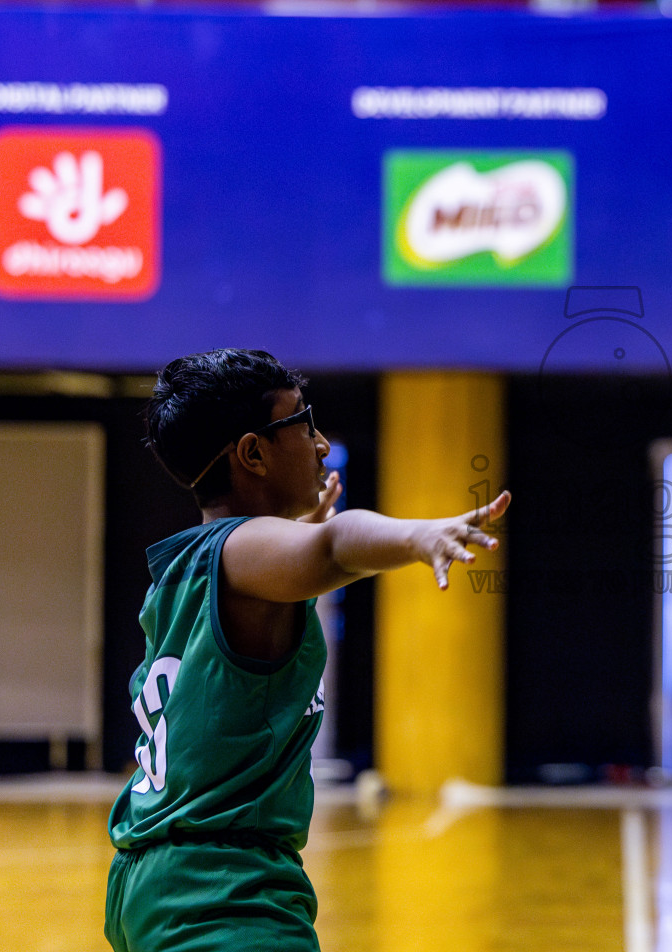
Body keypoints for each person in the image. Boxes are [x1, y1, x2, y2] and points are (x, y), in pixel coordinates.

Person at [104, 348, 510, 952]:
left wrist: (297, 535)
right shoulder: (245, 552)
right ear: (253, 453)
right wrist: (418, 534)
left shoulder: (189, 564)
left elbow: (301, 552)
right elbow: (337, 546)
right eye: (304, 422)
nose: (320, 444)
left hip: (153, 880)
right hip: (223, 891)